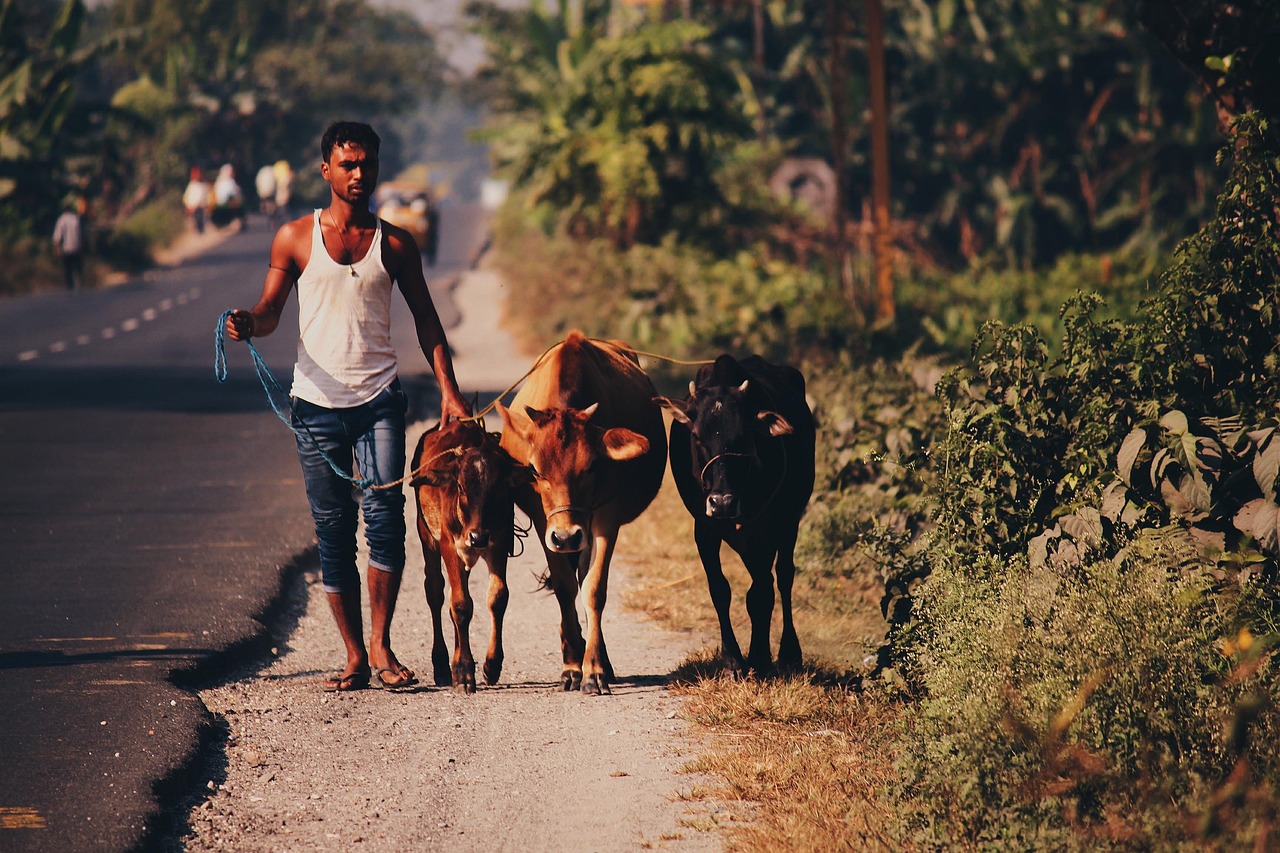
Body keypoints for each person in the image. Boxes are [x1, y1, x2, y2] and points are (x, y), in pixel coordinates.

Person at [224, 121, 471, 693]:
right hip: (315, 407)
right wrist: (248, 324)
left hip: (379, 400)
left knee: (384, 521)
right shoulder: (294, 238)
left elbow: (427, 320)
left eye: (367, 164)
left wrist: (450, 390)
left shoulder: (396, 244)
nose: (359, 174)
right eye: (348, 165)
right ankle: (354, 655)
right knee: (333, 528)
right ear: (326, 170)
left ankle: (381, 645)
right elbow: (270, 310)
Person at [52, 198, 84, 291]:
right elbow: (80, 234)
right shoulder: (75, 219)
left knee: (67, 269)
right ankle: (78, 284)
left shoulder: (61, 220)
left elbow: (57, 237)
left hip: (66, 248)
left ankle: (70, 287)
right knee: (76, 268)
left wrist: (57, 249)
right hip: (76, 247)